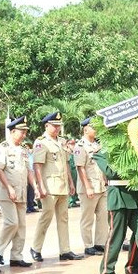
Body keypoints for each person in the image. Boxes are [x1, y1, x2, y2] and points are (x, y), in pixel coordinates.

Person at [30, 112, 83, 262]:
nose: (57, 128)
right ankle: (36, 248)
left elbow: (66, 163)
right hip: (49, 186)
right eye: (54, 126)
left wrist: (71, 183)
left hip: (63, 186)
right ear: (47, 126)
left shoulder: (62, 141)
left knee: (63, 218)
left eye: (59, 126)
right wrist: (41, 186)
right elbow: (37, 166)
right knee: (46, 217)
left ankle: (65, 250)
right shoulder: (41, 142)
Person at [0, 116, 37, 268]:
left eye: (25, 132)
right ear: (12, 132)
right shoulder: (3, 148)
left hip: (21, 192)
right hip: (6, 192)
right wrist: (9, 188)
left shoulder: (24, 150)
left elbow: (29, 171)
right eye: (21, 132)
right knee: (12, 222)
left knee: (21, 225)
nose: (24, 135)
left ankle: (16, 256)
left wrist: (35, 187)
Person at [75, 119, 108, 257]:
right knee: (87, 218)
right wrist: (88, 187)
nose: (96, 129)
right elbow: (80, 168)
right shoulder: (80, 146)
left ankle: (100, 243)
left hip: (101, 186)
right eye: (93, 127)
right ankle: (88, 245)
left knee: (103, 216)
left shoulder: (98, 145)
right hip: (89, 187)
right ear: (85, 129)